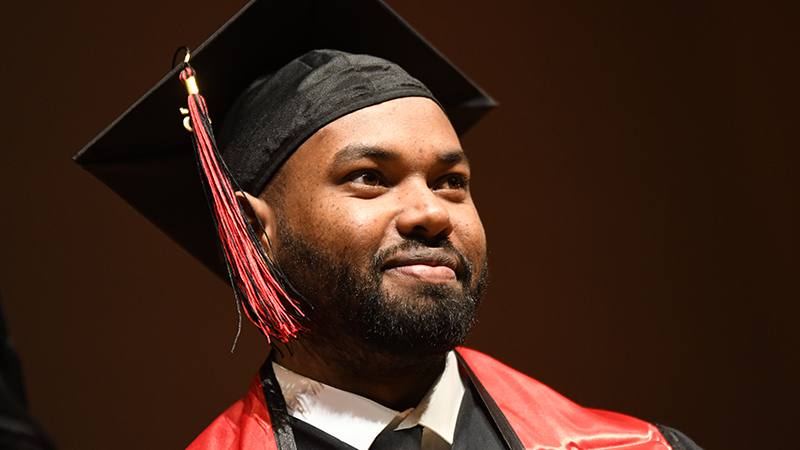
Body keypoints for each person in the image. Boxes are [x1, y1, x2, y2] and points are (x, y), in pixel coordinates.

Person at [75, 2, 703, 449]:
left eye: (450, 182)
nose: (431, 212)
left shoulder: (631, 446)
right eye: (370, 178)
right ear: (251, 227)